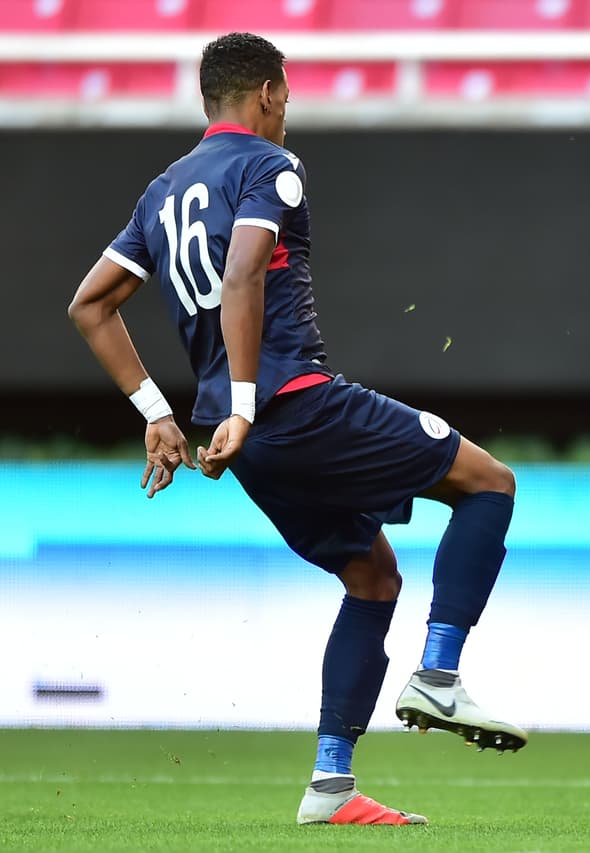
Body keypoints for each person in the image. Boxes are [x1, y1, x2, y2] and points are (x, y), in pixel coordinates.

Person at [67, 32, 526, 827]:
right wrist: (249, 400)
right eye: (289, 97)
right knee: (489, 483)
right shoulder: (268, 166)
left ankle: (330, 784)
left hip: (236, 439)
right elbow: (245, 272)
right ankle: (441, 674)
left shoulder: (164, 190)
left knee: (372, 577)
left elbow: (89, 304)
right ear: (271, 94)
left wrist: (159, 414)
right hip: (292, 405)